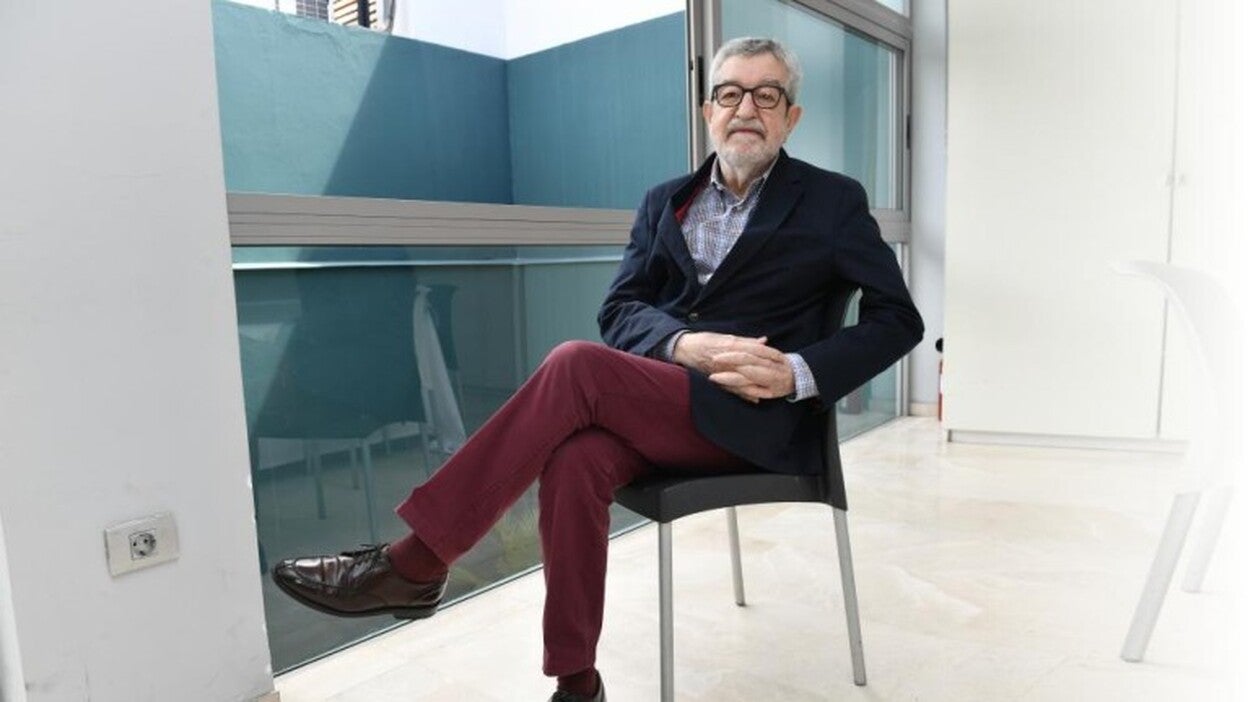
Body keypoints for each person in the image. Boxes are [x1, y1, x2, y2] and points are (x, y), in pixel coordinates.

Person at [271, 36, 923, 702]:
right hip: (668, 404)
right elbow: (620, 309)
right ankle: (577, 682)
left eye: (767, 95)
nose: (746, 108)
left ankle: (416, 561)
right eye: (730, 93)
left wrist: (797, 372)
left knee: (576, 366)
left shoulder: (832, 201)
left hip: (757, 418)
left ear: (791, 116)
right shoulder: (664, 201)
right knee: (576, 458)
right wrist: (681, 344)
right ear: (708, 112)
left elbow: (898, 318)